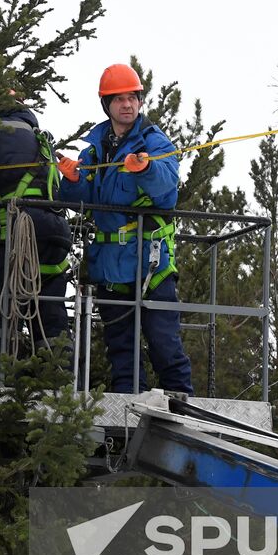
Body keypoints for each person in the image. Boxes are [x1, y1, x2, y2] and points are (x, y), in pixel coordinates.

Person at [56, 64, 191, 394]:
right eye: (118, 99)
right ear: (107, 104)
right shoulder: (96, 149)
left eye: (132, 97)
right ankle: (126, 416)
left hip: (150, 264)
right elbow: (81, 199)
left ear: (141, 101)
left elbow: (166, 189)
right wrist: (72, 180)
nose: (127, 105)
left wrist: (144, 168)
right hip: (111, 267)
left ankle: (184, 409)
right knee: (122, 352)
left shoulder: (155, 143)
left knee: (163, 345)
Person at [0, 95, 73, 363]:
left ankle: (2, 381)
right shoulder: (37, 135)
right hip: (54, 234)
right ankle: (60, 383)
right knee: (51, 314)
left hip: (15, 230)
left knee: (2, 311)